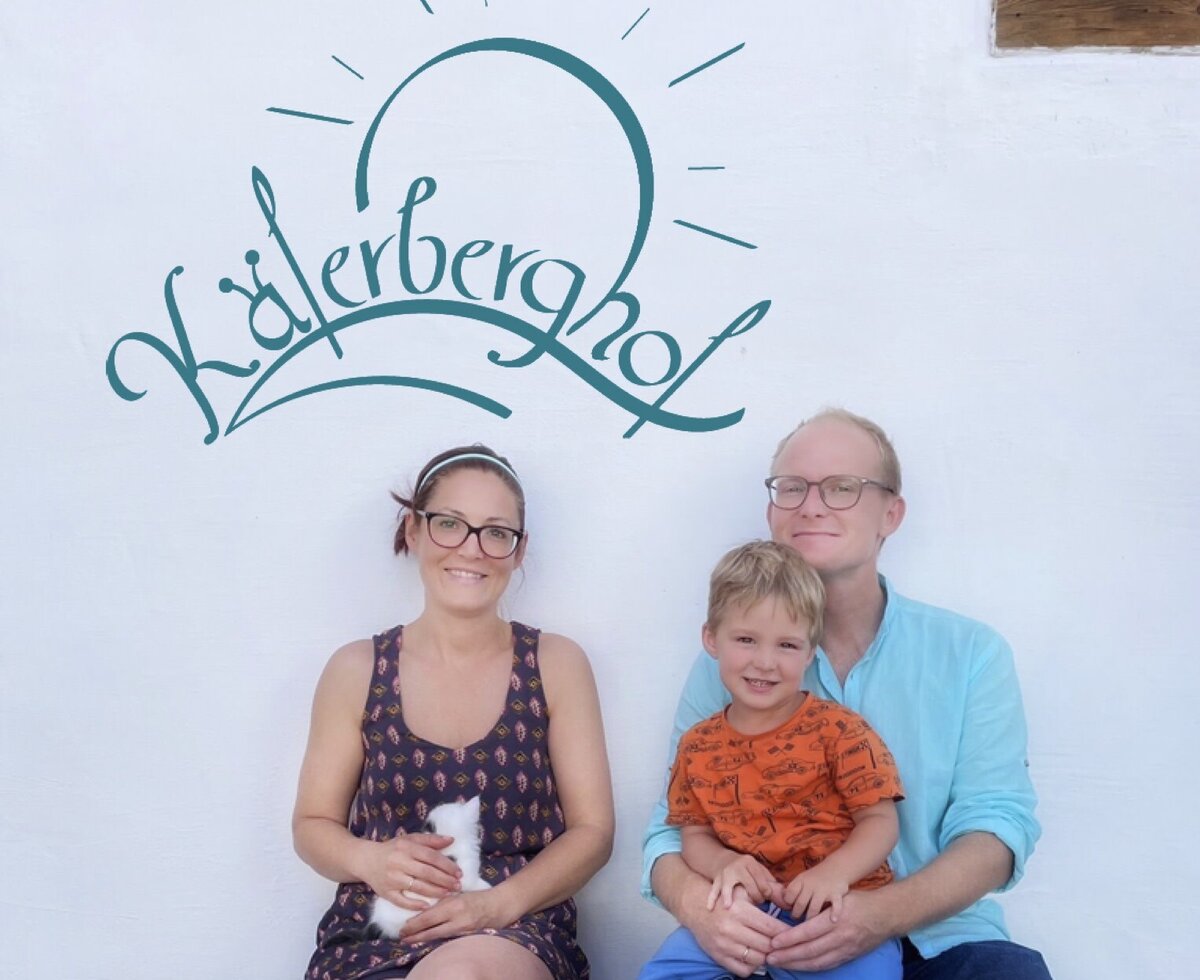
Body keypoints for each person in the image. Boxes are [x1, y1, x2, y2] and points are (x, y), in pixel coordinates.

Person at [642, 409, 1051, 979]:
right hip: (767, 935)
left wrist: (880, 914)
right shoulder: (725, 667)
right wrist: (700, 907)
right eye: (792, 487)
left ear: (892, 513)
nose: (812, 505)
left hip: (940, 939)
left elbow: (997, 825)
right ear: (771, 511)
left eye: (842, 488)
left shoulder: (970, 653)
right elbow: (674, 827)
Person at [295, 445, 614, 980]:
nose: (472, 549)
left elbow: (593, 832)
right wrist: (369, 860)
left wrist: (497, 903)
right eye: (450, 524)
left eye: (495, 532)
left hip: (513, 926)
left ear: (518, 549)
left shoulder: (556, 665)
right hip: (376, 929)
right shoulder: (357, 670)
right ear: (414, 531)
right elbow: (312, 824)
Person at [639, 540, 905, 980]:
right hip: (740, 916)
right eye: (746, 639)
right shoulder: (697, 745)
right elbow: (695, 834)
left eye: (786, 645)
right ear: (711, 638)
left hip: (836, 915)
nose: (765, 662)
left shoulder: (842, 732)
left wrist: (833, 876)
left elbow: (881, 823)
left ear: (810, 651)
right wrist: (722, 864)